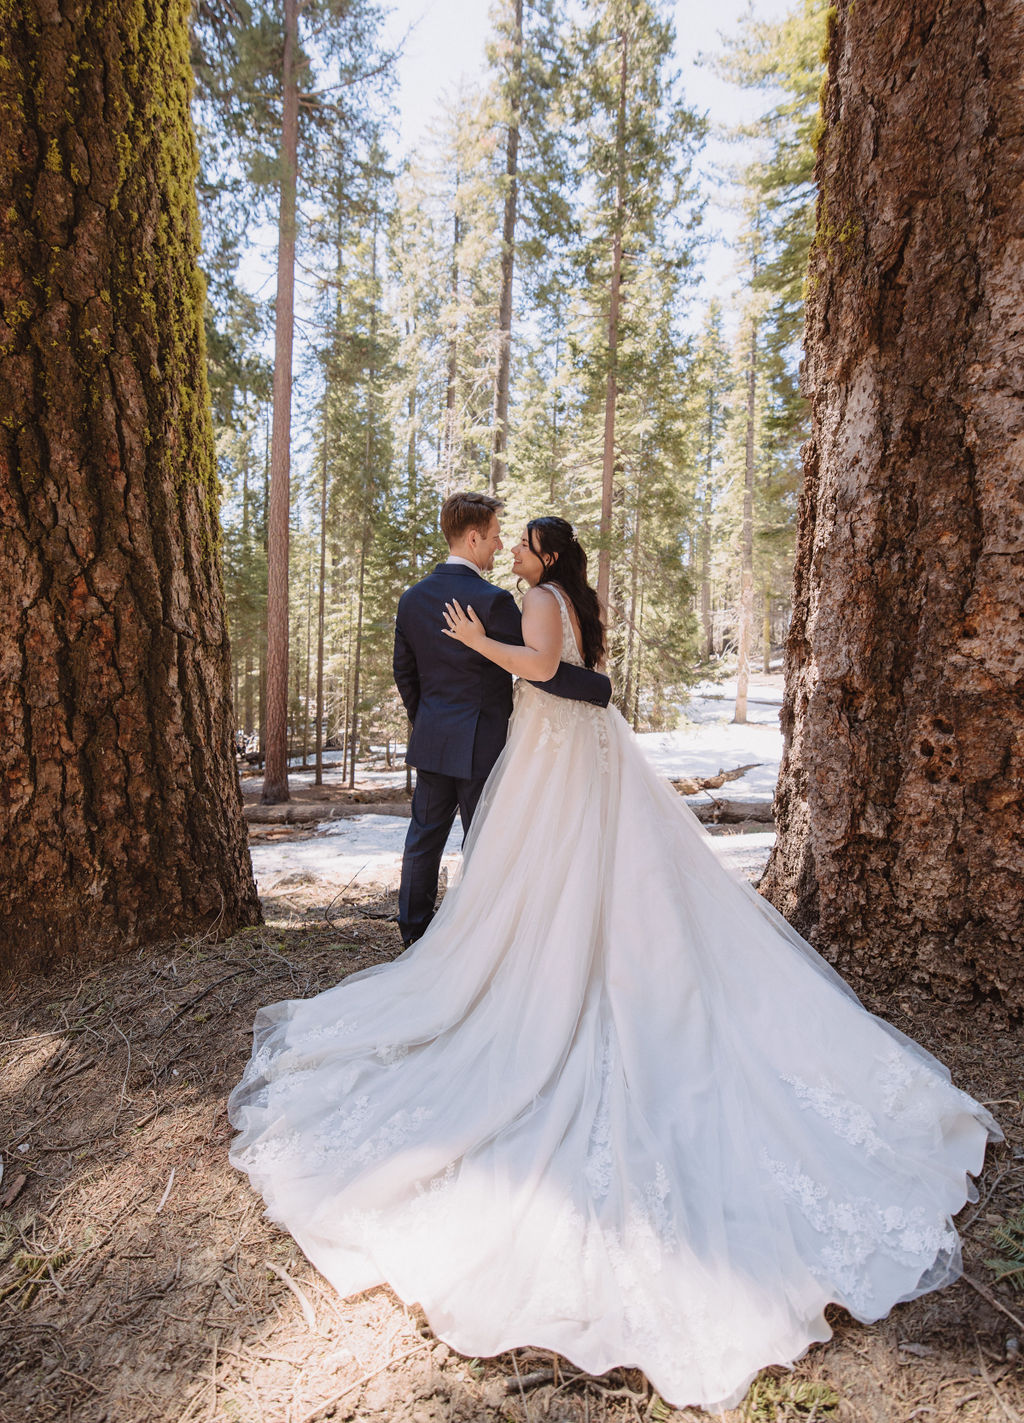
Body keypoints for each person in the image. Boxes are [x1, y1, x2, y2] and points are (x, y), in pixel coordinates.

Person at [229, 516, 1000, 1413]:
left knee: (547, 876)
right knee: (551, 874)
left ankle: (563, 974)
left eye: (524, 544)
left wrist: (486, 642)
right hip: (563, 751)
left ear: (544, 557)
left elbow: (552, 673)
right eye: (508, 541)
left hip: (557, 754)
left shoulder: (533, 599)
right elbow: (586, 680)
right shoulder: (561, 595)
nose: (513, 553)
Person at [392, 491, 611, 947]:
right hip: (484, 743)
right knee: (488, 844)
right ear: (473, 538)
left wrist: (429, 721)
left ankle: (414, 937)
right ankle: (482, 938)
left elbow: (405, 672)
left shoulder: (412, 599)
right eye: (493, 537)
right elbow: (540, 670)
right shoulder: (492, 601)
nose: (499, 546)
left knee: (423, 840)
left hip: (434, 740)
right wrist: (598, 688)